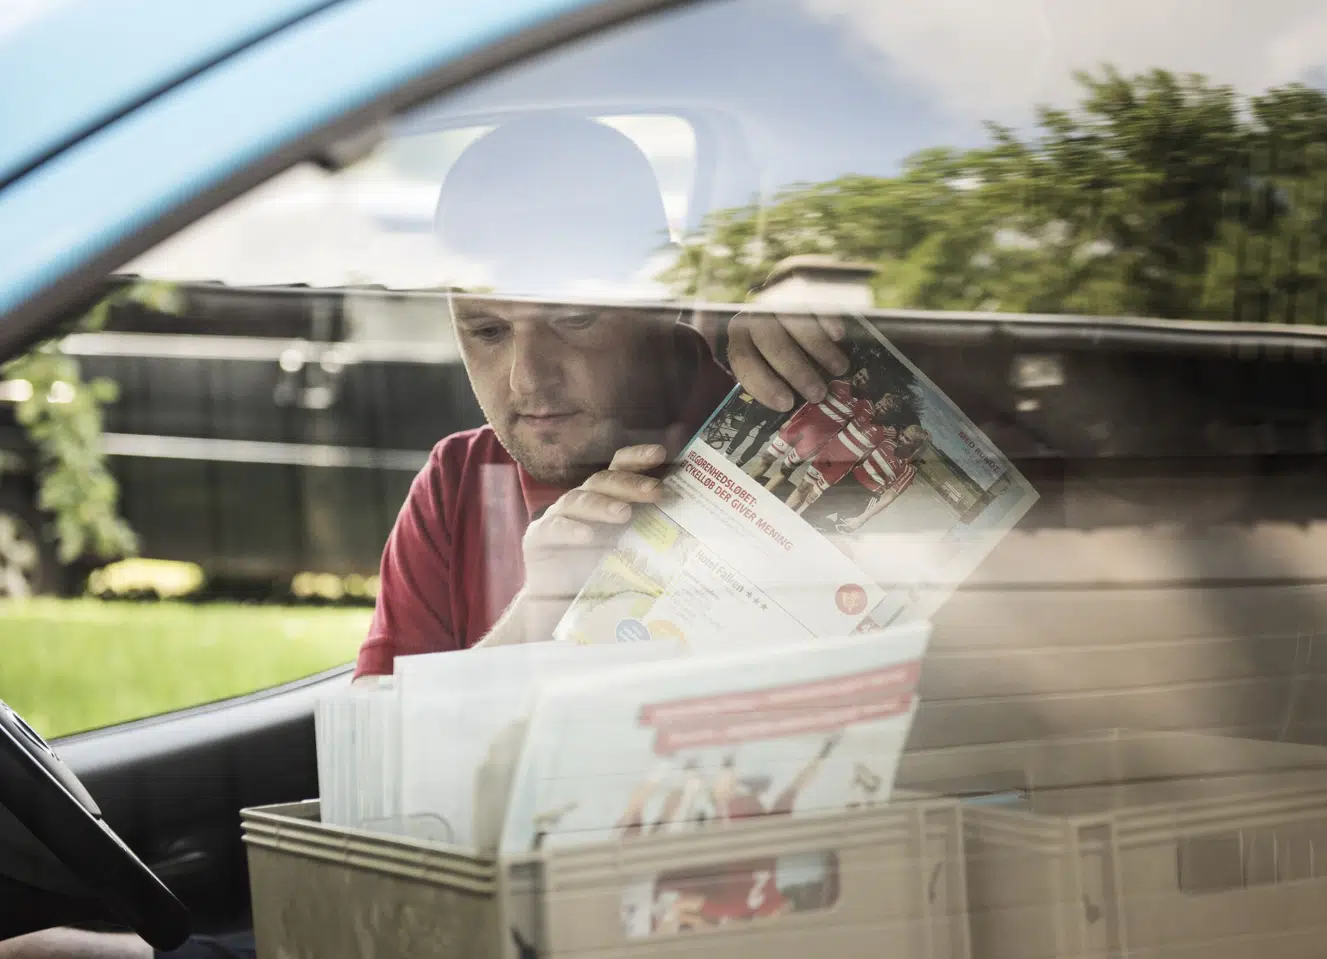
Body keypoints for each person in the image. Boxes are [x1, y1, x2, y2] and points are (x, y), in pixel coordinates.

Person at [0, 116, 851, 959]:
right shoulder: (458, 483)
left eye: (573, 316)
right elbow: (379, 798)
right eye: (486, 330)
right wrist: (539, 615)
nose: (528, 378)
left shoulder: (789, 423)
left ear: (659, 292)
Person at [743, 364, 874, 487]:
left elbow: (848, 431)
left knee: (785, 469)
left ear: (868, 385)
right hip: (799, 427)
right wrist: (791, 420)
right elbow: (811, 403)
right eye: (860, 374)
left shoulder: (865, 406)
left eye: (864, 379)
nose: (859, 379)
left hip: (815, 440)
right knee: (767, 457)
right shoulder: (836, 385)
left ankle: (763, 496)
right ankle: (747, 486)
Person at [782, 394, 906, 513]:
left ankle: (799, 516)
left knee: (813, 495)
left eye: (884, 409)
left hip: (841, 467)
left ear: (891, 416)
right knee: (803, 486)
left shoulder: (886, 435)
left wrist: (896, 432)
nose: (878, 408)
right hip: (827, 454)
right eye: (879, 404)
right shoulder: (862, 410)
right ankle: (783, 512)